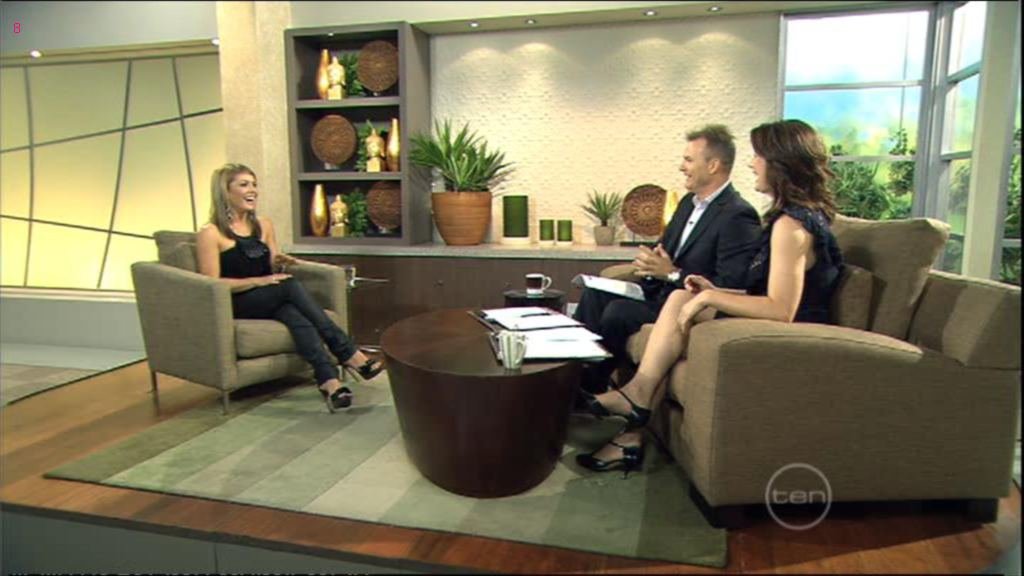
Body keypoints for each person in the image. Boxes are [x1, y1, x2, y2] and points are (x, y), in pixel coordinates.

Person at [576, 119, 844, 474]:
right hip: (771, 320)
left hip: (789, 335)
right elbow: (761, 291)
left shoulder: (790, 226)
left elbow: (782, 309)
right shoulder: (789, 218)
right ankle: (635, 405)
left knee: (684, 303)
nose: (751, 163)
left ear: (780, 164)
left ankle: (633, 406)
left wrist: (711, 298)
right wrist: (709, 291)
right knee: (681, 299)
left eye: (758, 156)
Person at [573, 124, 762, 394]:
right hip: (657, 292)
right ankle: (571, 379)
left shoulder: (737, 215)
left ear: (713, 166)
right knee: (594, 294)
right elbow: (665, 249)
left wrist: (672, 273)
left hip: (687, 305)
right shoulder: (687, 203)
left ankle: (588, 391)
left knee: (618, 312)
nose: (681, 167)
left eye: (688, 160)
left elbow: (730, 283)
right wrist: (650, 261)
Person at [195, 163, 384, 413]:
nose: (253, 190)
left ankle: (330, 383)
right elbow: (211, 285)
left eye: (254, 184)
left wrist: (283, 262)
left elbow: (272, 264)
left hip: (270, 296)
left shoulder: (263, 224)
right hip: (238, 300)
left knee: (296, 316)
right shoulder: (211, 233)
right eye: (244, 185)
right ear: (225, 191)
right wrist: (257, 282)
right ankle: (348, 352)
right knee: (289, 286)